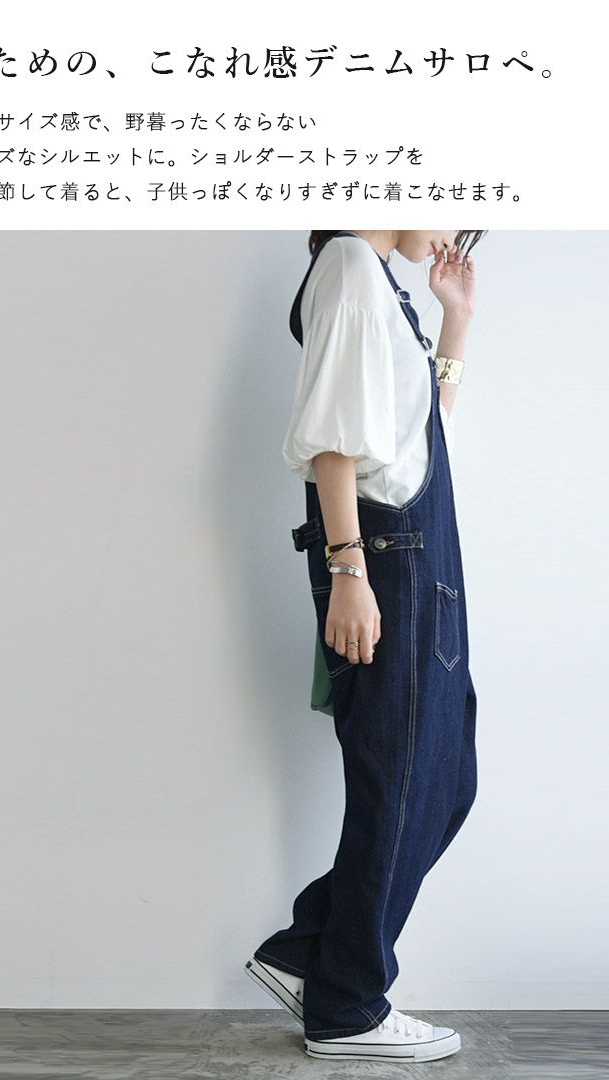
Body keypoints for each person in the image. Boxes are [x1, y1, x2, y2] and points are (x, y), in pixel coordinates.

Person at [245, 230, 485, 1063]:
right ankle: (347, 1006)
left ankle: (305, 954)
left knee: (440, 783)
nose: (451, 223)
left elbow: (420, 436)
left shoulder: (382, 285)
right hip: (386, 558)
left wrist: (455, 323)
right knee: (401, 782)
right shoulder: (350, 266)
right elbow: (332, 441)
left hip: (419, 560)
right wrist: (349, 569)